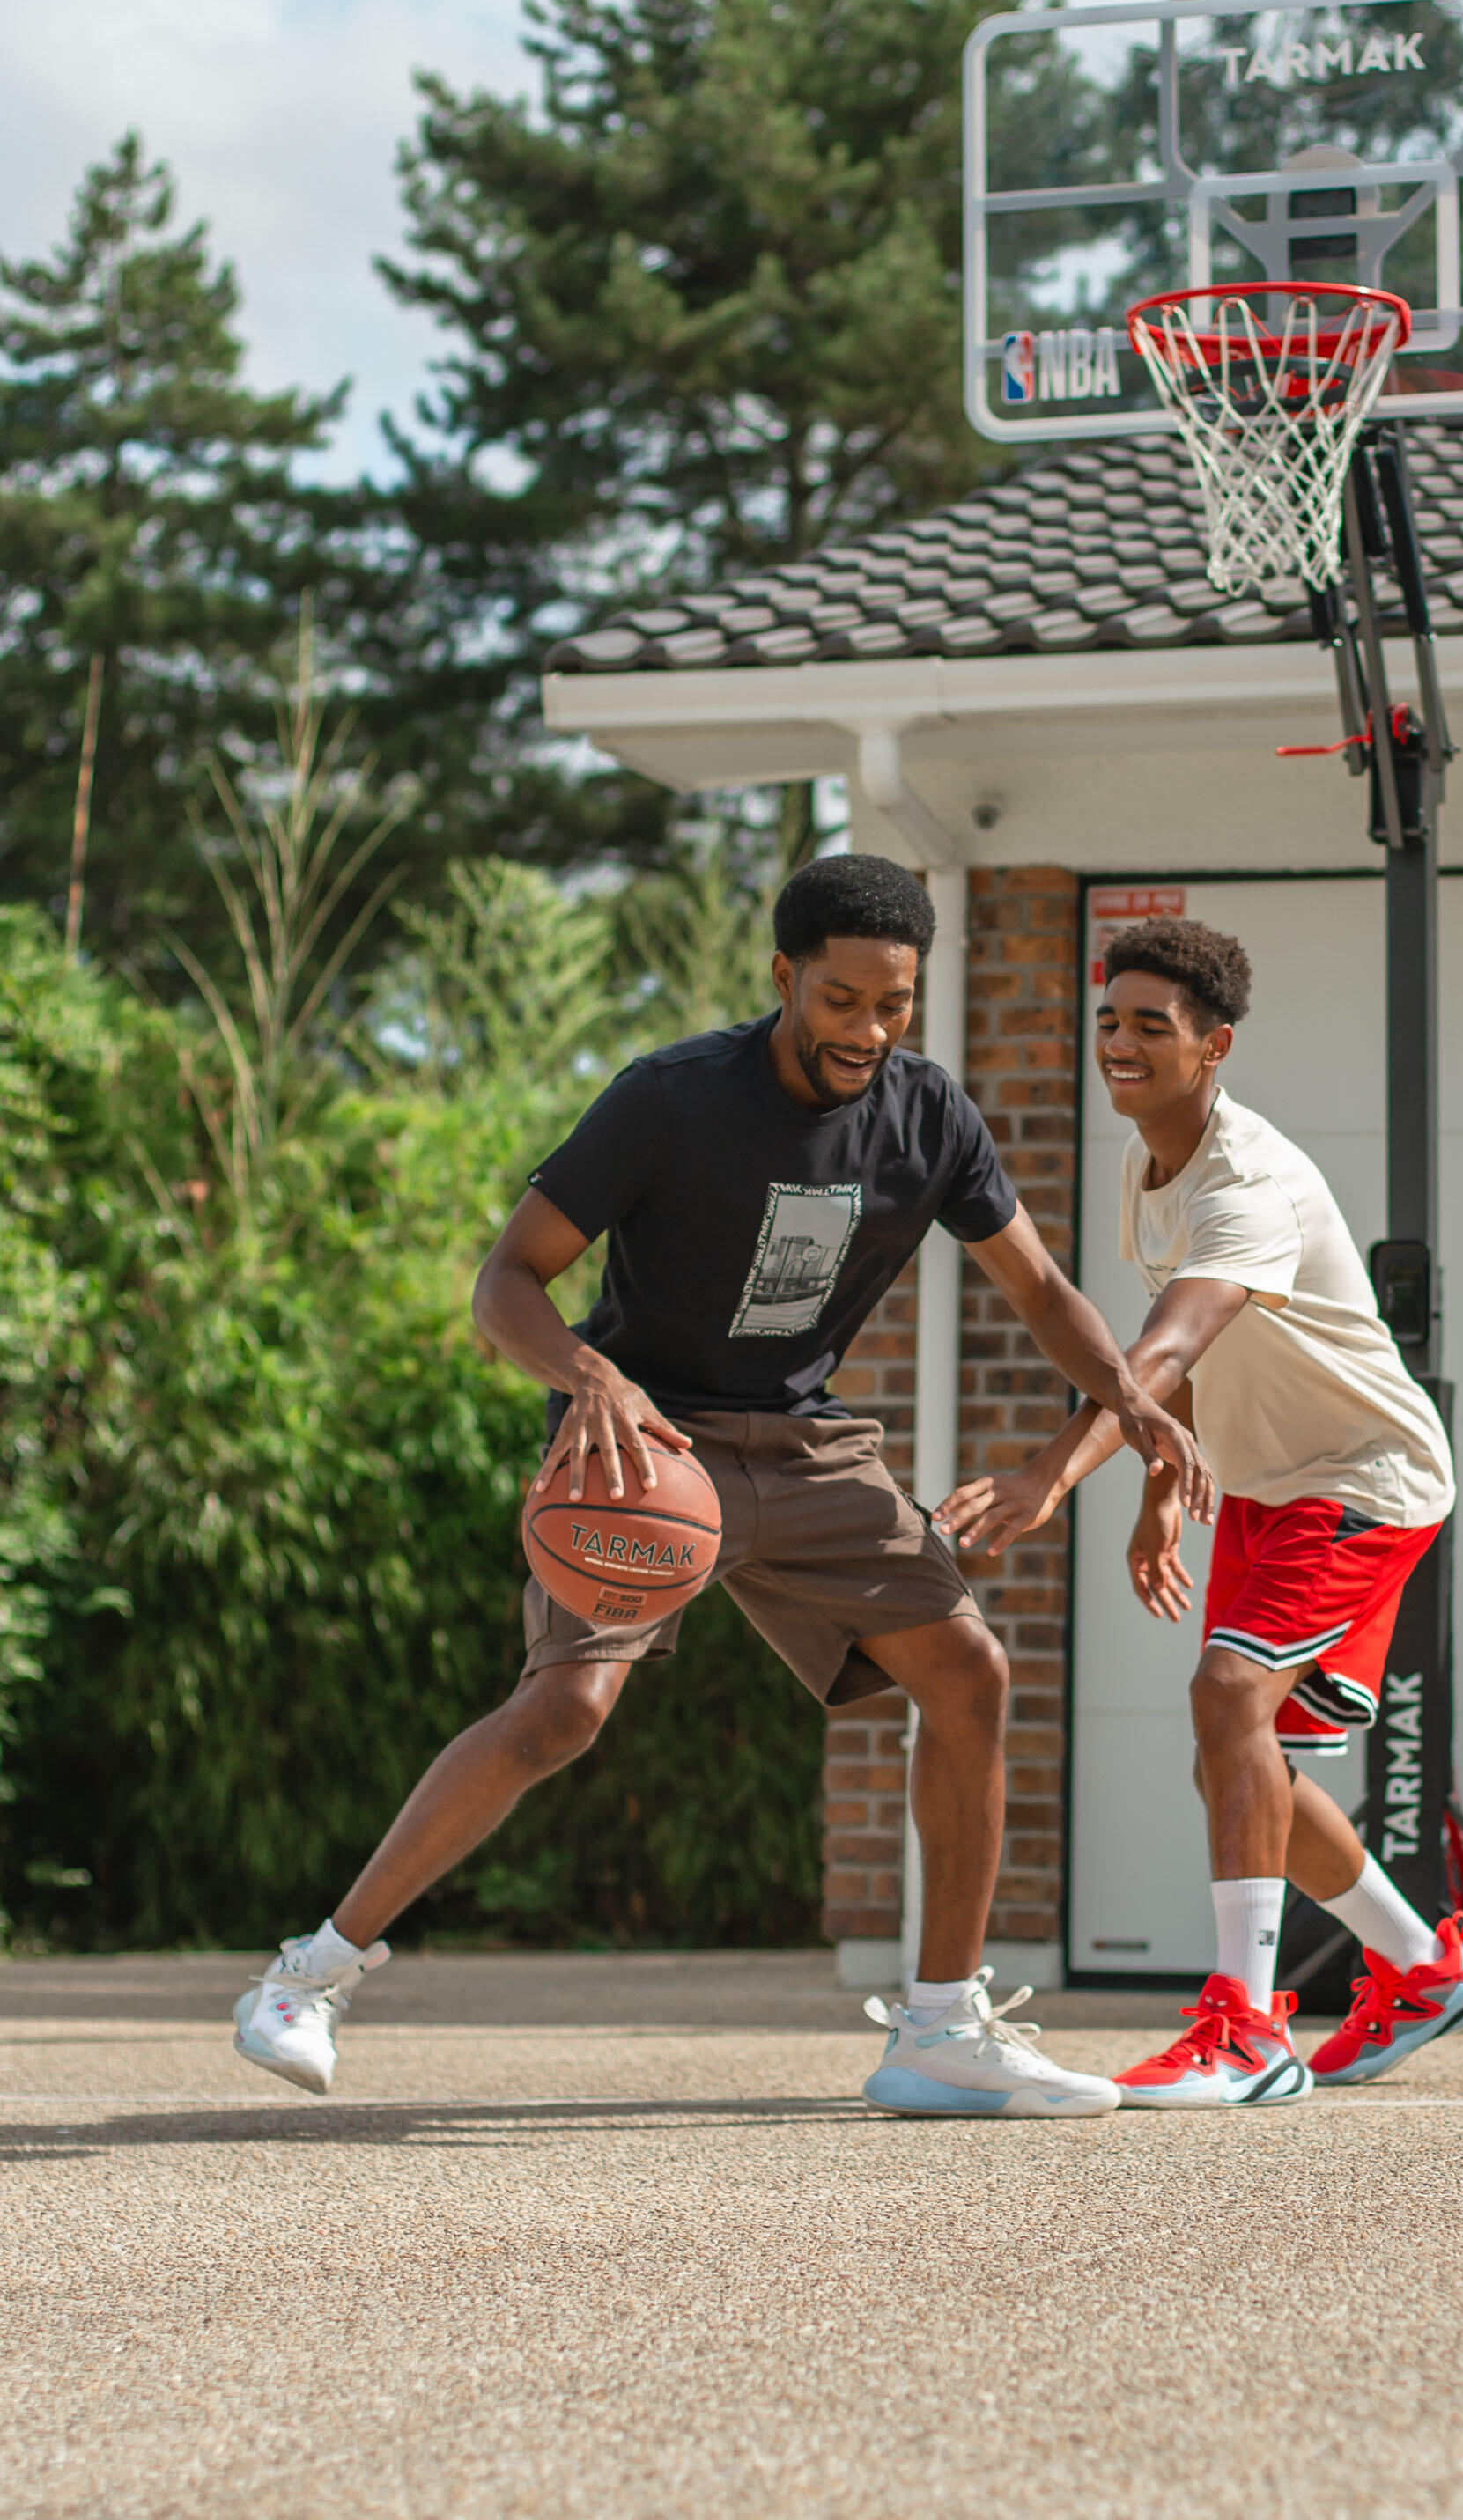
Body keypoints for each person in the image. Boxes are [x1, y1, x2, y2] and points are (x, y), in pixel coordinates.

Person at [233, 854, 1211, 2121]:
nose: (868, 1030)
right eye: (843, 1000)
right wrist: (589, 1377)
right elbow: (506, 1283)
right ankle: (307, 1977)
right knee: (563, 1716)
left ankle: (940, 2030)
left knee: (970, 1672)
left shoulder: (929, 1118)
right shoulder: (670, 1099)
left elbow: (1037, 1290)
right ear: (784, 978)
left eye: (894, 1004)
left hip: (806, 1449)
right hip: (645, 1452)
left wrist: (1130, 1404)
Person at [942, 914, 1463, 2106]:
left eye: (1153, 1026)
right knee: (1233, 1760)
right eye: (1109, 1023)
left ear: (1216, 1047)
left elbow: (1172, 1338)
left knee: (1227, 1697)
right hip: (1265, 1481)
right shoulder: (1155, 1167)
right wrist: (1159, 1483)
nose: (1121, 1045)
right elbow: (1188, 1369)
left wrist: (1051, 1472)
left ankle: (1248, 2030)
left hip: (1361, 1475)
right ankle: (1423, 1964)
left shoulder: (1246, 1181)